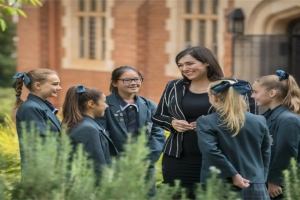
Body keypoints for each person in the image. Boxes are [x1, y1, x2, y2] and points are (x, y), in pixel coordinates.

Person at [152, 46, 224, 199]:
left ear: (207, 62)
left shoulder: (226, 87)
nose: (185, 68)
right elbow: (158, 116)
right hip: (177, 158)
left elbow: (242, 119)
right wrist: (172, 122)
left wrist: (211, 124)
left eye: (190, 63)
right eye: (180, 65)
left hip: (216, 157)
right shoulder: (173, 86)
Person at [197, 80, 271, 200]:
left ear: (214, 98)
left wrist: (234, 175)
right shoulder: (259, 120)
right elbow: (266, 153)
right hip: (254, 183)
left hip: (219, 184)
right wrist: (261, 178)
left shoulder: (206, 121)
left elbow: (211, 152)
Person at [96, 66, 165, 193]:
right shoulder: (104, 104)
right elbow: (103, 135)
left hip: (144, 167)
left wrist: (147, 160)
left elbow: (158, 133)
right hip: (115, 167)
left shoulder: (149, 105)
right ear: (115, 82)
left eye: (137, 79)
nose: (133, 83)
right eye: (127, 80)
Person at [251, 70, 300, 199]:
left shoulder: (288, 119)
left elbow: (287, 151)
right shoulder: (268, 116)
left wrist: (275, 180)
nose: (252, 96)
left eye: (256, 92)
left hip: (279, 185)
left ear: (272, 93)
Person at [62, 85, 118, 178]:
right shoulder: (87, 128)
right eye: (104, 102)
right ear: (91, 104)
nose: (106, 106)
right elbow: (95, 166)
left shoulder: (87, 124)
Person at [13, 69, 62, 166]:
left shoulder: (42, 106)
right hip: (42, 172)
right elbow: (42, 143)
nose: (59, 88)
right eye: (55, 84)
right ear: (38, 85)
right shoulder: (30, 108)